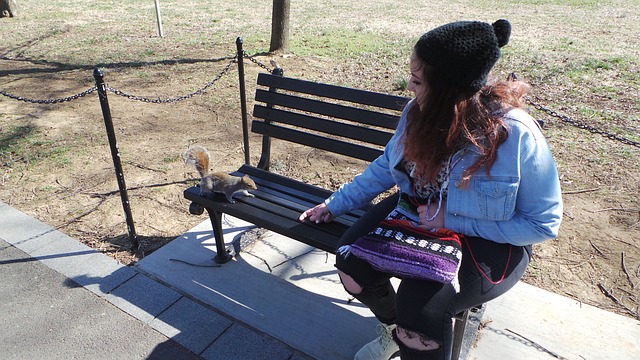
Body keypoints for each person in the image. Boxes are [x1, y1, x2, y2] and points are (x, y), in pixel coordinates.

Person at [299, 19, 563, 360]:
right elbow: (386, 165)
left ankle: (411, 333)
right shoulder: (417, 112)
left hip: (491, 240)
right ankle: (395, 332)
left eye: (418, 79)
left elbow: (542, 224)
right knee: (351, 262)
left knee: (420, 311)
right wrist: (336, 203)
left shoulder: (514, 133)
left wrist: (449, 222)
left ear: (449, 89)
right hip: (418, 211)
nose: (408, 86)